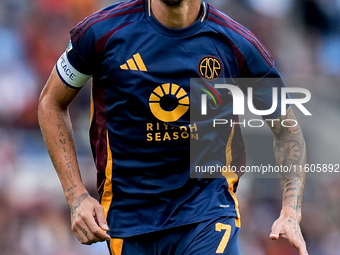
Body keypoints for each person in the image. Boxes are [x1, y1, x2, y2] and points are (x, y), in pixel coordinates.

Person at [38, 0, 308, 254]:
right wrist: (76, 196)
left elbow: (286, 130)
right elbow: (51, 102)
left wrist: (290, 212)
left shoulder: (236, 43)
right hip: (127, 219)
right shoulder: (101, 33)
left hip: (207, 210)